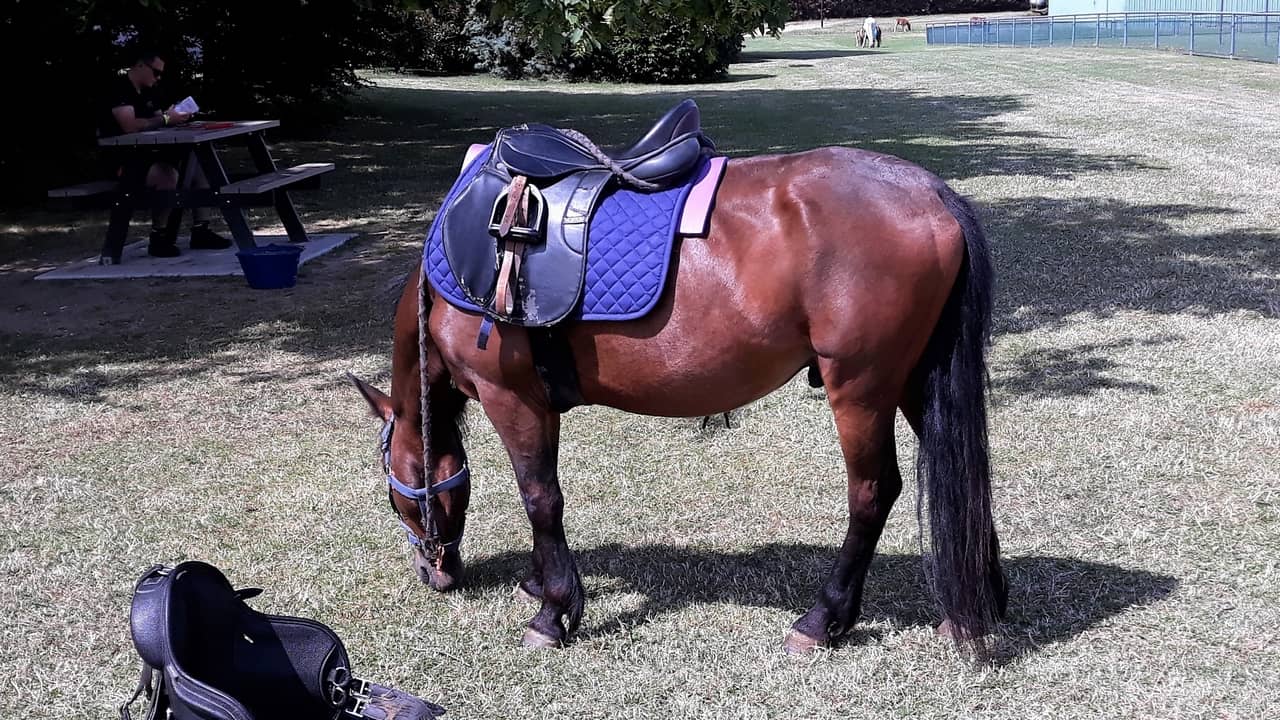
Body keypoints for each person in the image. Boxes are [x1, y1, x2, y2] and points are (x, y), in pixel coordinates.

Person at [99, 49, 232, 259]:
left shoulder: (149, 91)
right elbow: (130, 126)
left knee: (199, 165)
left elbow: (156, 120)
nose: (158, 77)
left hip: (150, 153)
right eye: (156, 72)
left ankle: (201, 229)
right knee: (167, 176)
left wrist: (175, 117)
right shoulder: (119, 89)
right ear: (141, 65)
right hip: (123, 162)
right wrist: (167, 119)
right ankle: (159, 236)